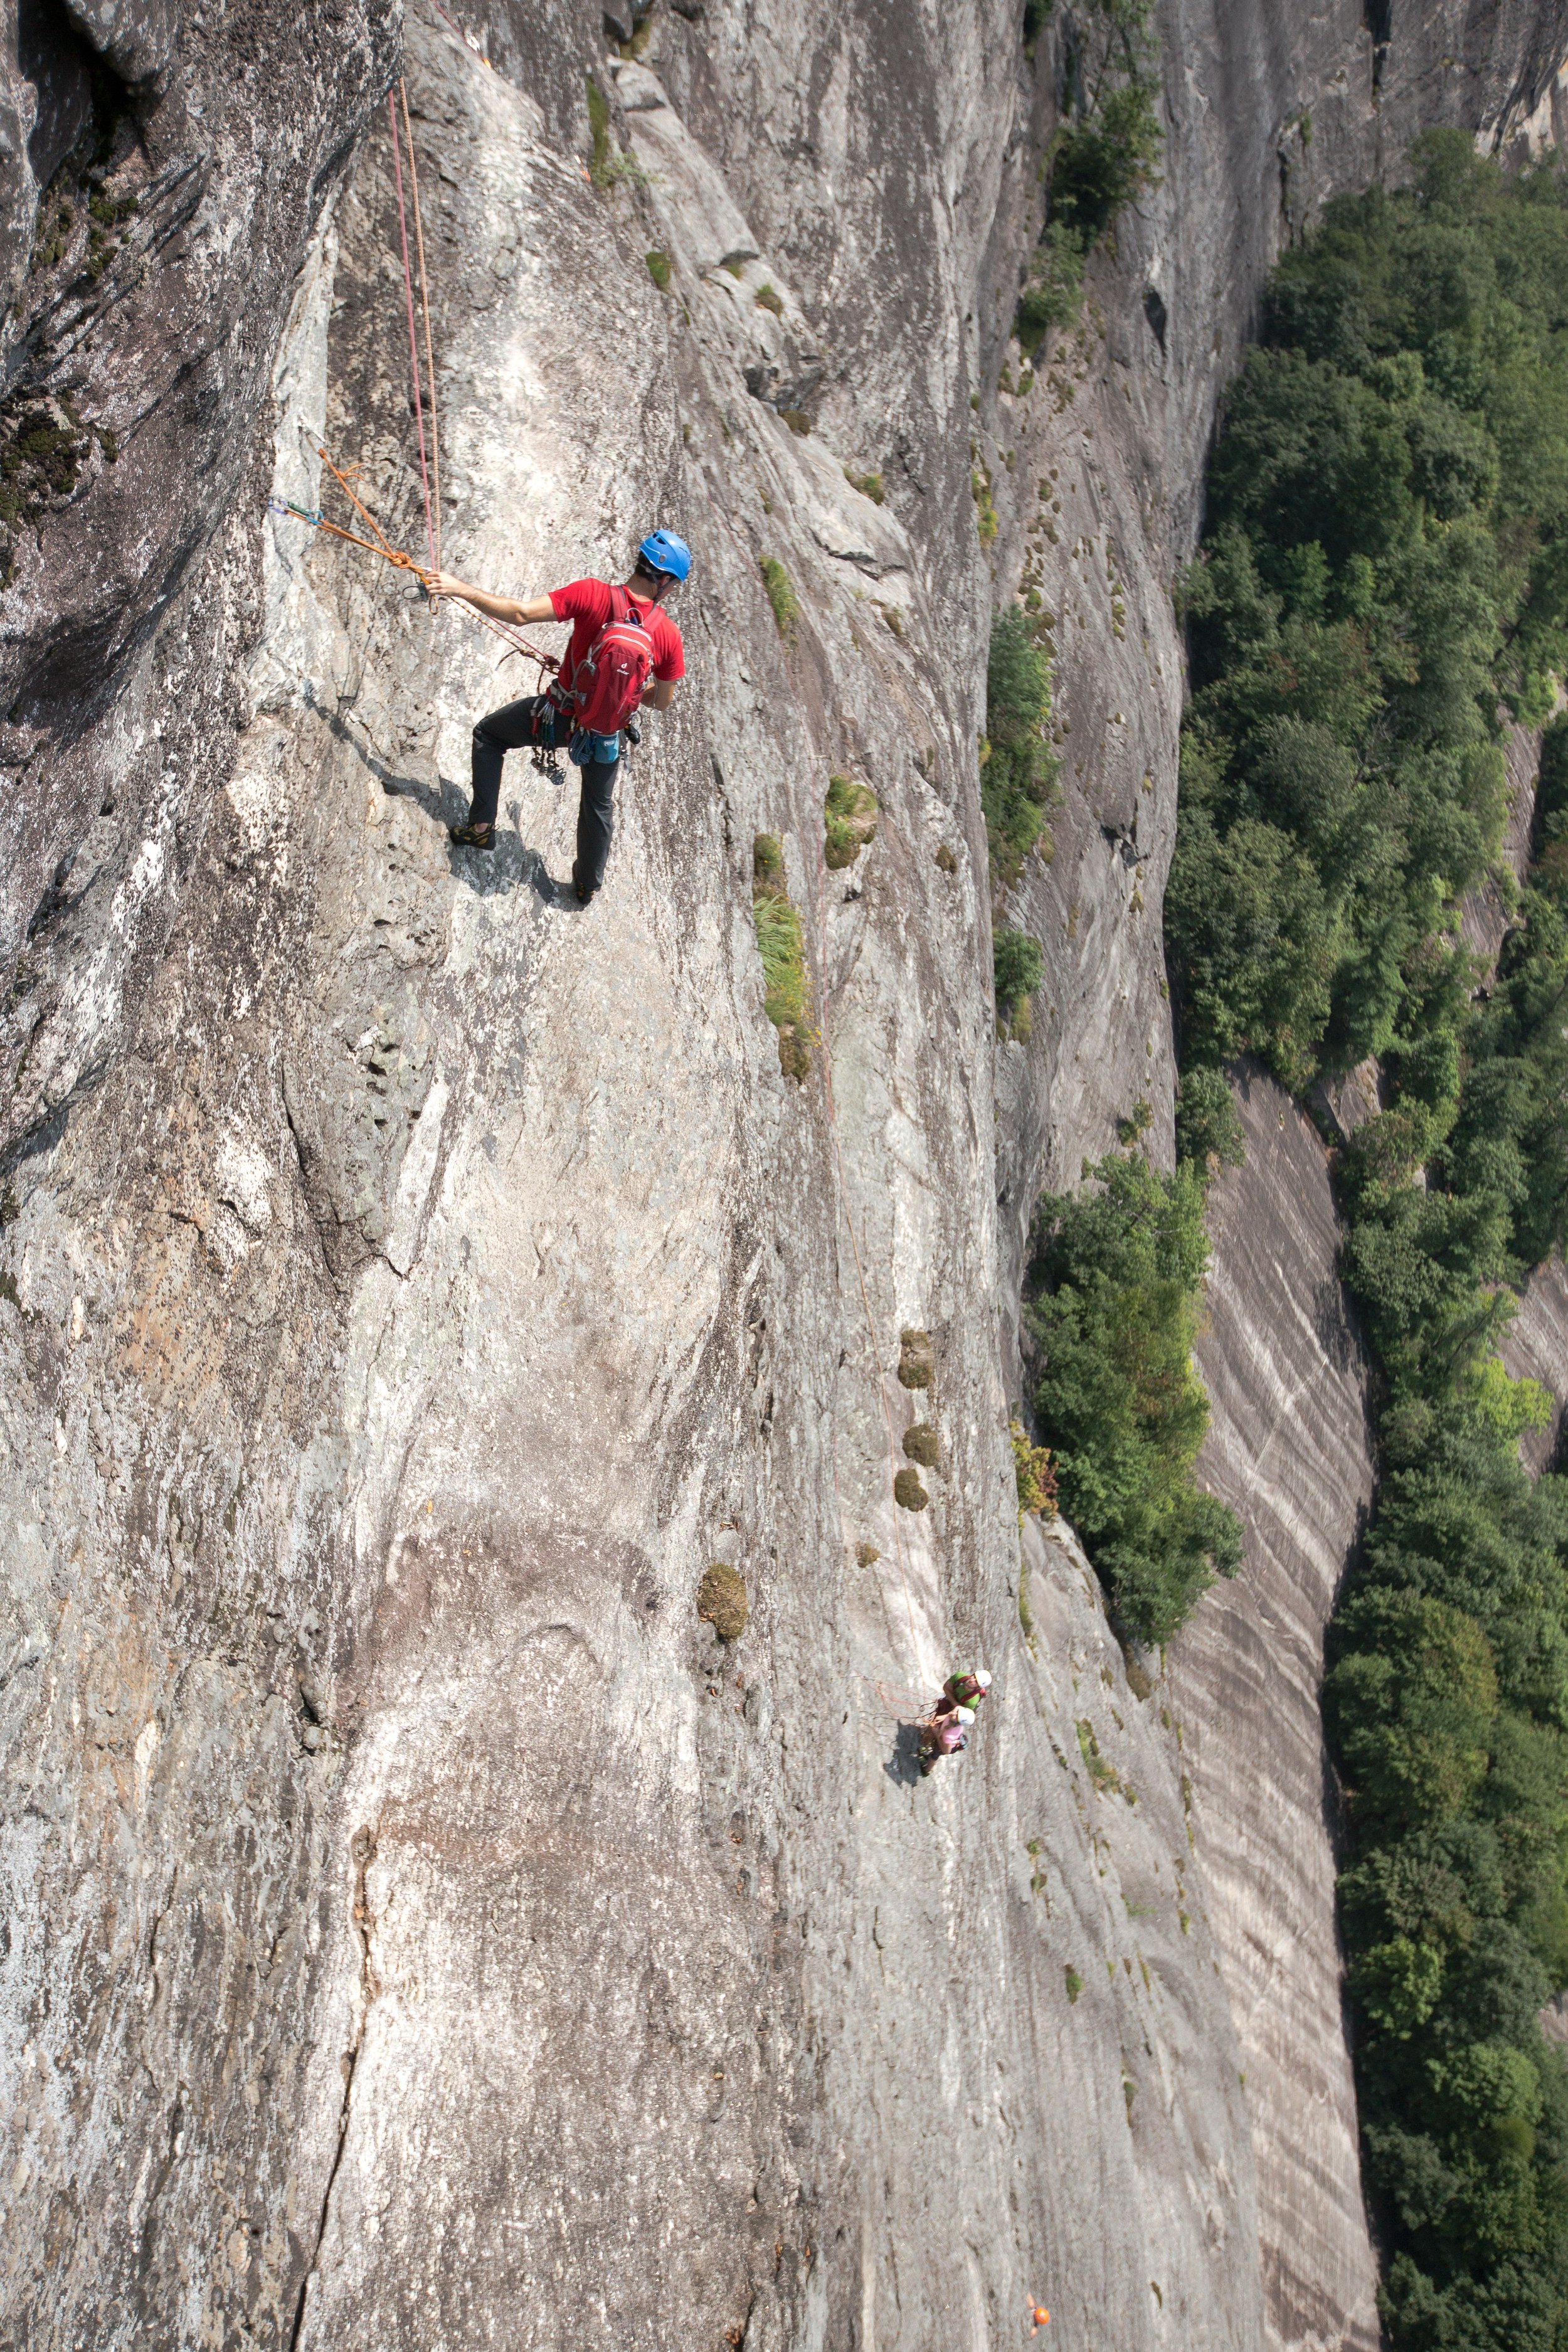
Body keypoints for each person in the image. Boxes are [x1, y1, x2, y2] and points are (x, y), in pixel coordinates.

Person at [425, 530, 691, 899]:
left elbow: (520, 614)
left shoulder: (592, 593)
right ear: (664, 581)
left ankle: (481, 828)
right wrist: (625, 691)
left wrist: (460, 589)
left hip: (558, 717)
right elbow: (661, 702)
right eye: (674, 585)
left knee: (489, 736)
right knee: (598, 805)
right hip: (606, 733)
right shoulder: (668, 635)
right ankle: (586, 885)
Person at [918, 1703, 975, 1774]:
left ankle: (926, 1771)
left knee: (935, 1755)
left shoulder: (949, 1735)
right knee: (934, 1747)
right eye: (957, 1711)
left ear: (958, 1723)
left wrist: (937, 1735)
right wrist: (943, 1717)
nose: (954, 1713)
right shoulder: (957, 1711)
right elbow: (956, 1709)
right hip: (947, 1740)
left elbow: (946, 1751)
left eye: (957, 1716)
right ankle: (928, 1756)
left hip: (948, 1746)